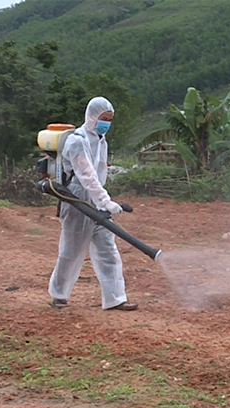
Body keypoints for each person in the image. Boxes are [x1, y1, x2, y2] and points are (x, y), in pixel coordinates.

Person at [48, 96, 138, 311]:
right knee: (71, 251)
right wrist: (106, 201)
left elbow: (98, 176)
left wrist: (103, 201)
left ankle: (116, 299)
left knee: (108, 249)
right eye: (103, 118)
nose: (107, 123)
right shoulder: (76, 141)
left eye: (110, 119)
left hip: (97, 200)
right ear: (92, 116)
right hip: (77, 199)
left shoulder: (101, 140)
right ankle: (59, 295)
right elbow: (86, 176)